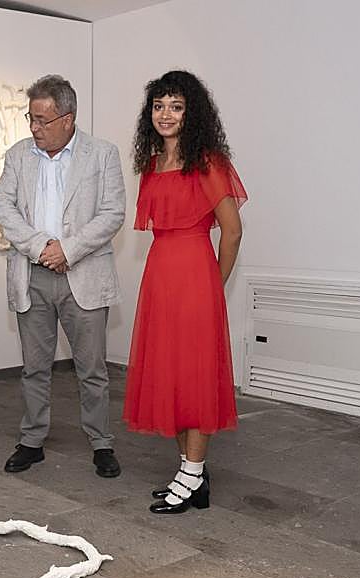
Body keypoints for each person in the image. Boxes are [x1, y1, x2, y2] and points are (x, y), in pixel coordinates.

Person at [123, 70, 247, 513]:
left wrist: (214, 283)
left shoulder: (209, 162)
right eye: (158, 106)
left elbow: (232, 232)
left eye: (176, 106)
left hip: (196, 277)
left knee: (194, 378)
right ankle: (190, 472)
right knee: (169, 376)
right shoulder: (152, 165)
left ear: (191, 112)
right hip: (160, 276)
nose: (166, 114)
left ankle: (193, 474)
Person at [0, 74, 126, 478]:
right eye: (30, 118)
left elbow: (113, 213)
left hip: (82, 274)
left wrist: (68, 250)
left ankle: (101, 443)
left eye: (42, 120)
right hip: (31, 275)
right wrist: (40, 248)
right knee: (34, 367)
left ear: (67, 119)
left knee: (92, 369)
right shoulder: (18, 156)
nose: (34, 128)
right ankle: (32, 440)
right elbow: (4, 208)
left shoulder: (102, 154)